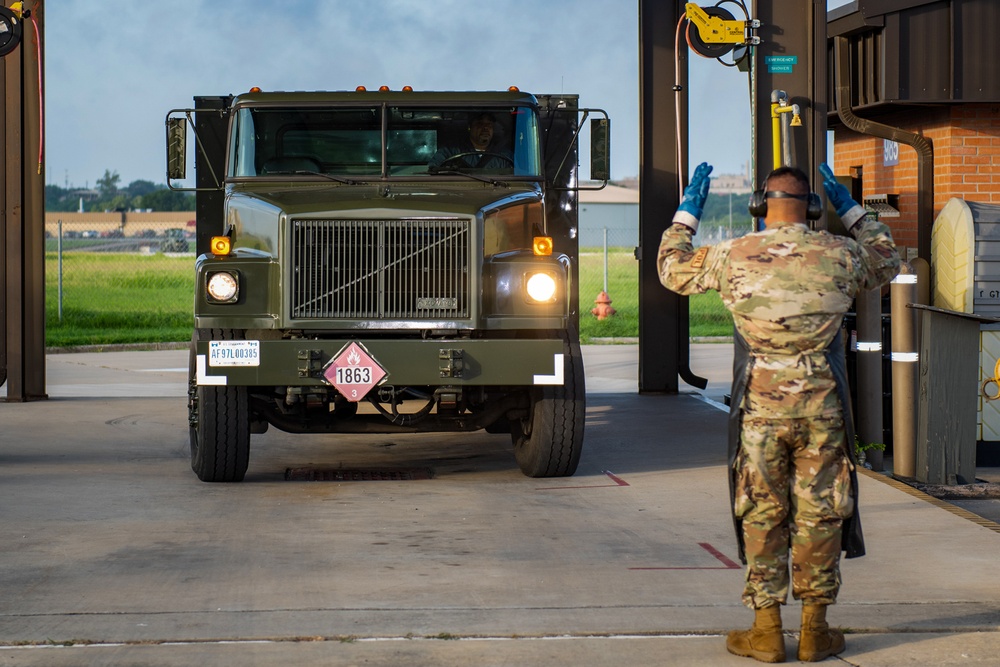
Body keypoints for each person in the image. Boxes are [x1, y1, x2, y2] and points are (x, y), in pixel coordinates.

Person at [657, 162, 900, 663]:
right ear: (812, 207)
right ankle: (816, 630)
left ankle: (766, 630)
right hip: (822, 410)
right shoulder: (840, 254)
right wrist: (852, 210)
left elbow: (671, 269)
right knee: (821, 513)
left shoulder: (732, 255)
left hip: (760, 412)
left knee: (762, 511)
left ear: (759, 206)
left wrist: (687, 212)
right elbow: (887, 258)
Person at [429, 111, 513, 171]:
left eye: (489, 124)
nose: (485, 128)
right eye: (480, 124)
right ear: (470, 127)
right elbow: (433, 169)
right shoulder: (450, 151)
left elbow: (516, 178)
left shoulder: (505, 155)